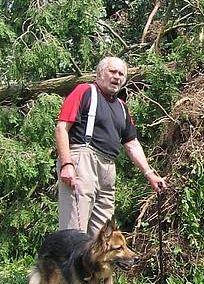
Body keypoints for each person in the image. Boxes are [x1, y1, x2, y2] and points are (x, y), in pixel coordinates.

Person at [55, 56, 166, 237]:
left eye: (121, 74)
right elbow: (61, 128)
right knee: (74, 231)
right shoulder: (85, 91)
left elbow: (132, 144)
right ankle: (68, 265)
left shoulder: (122, 107)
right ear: (99, 74)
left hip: (108, 168)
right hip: (83, 159)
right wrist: (67, 164)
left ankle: (95, 265)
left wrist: (150, 174)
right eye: (112, 71)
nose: (117, 77)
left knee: (103, 237)